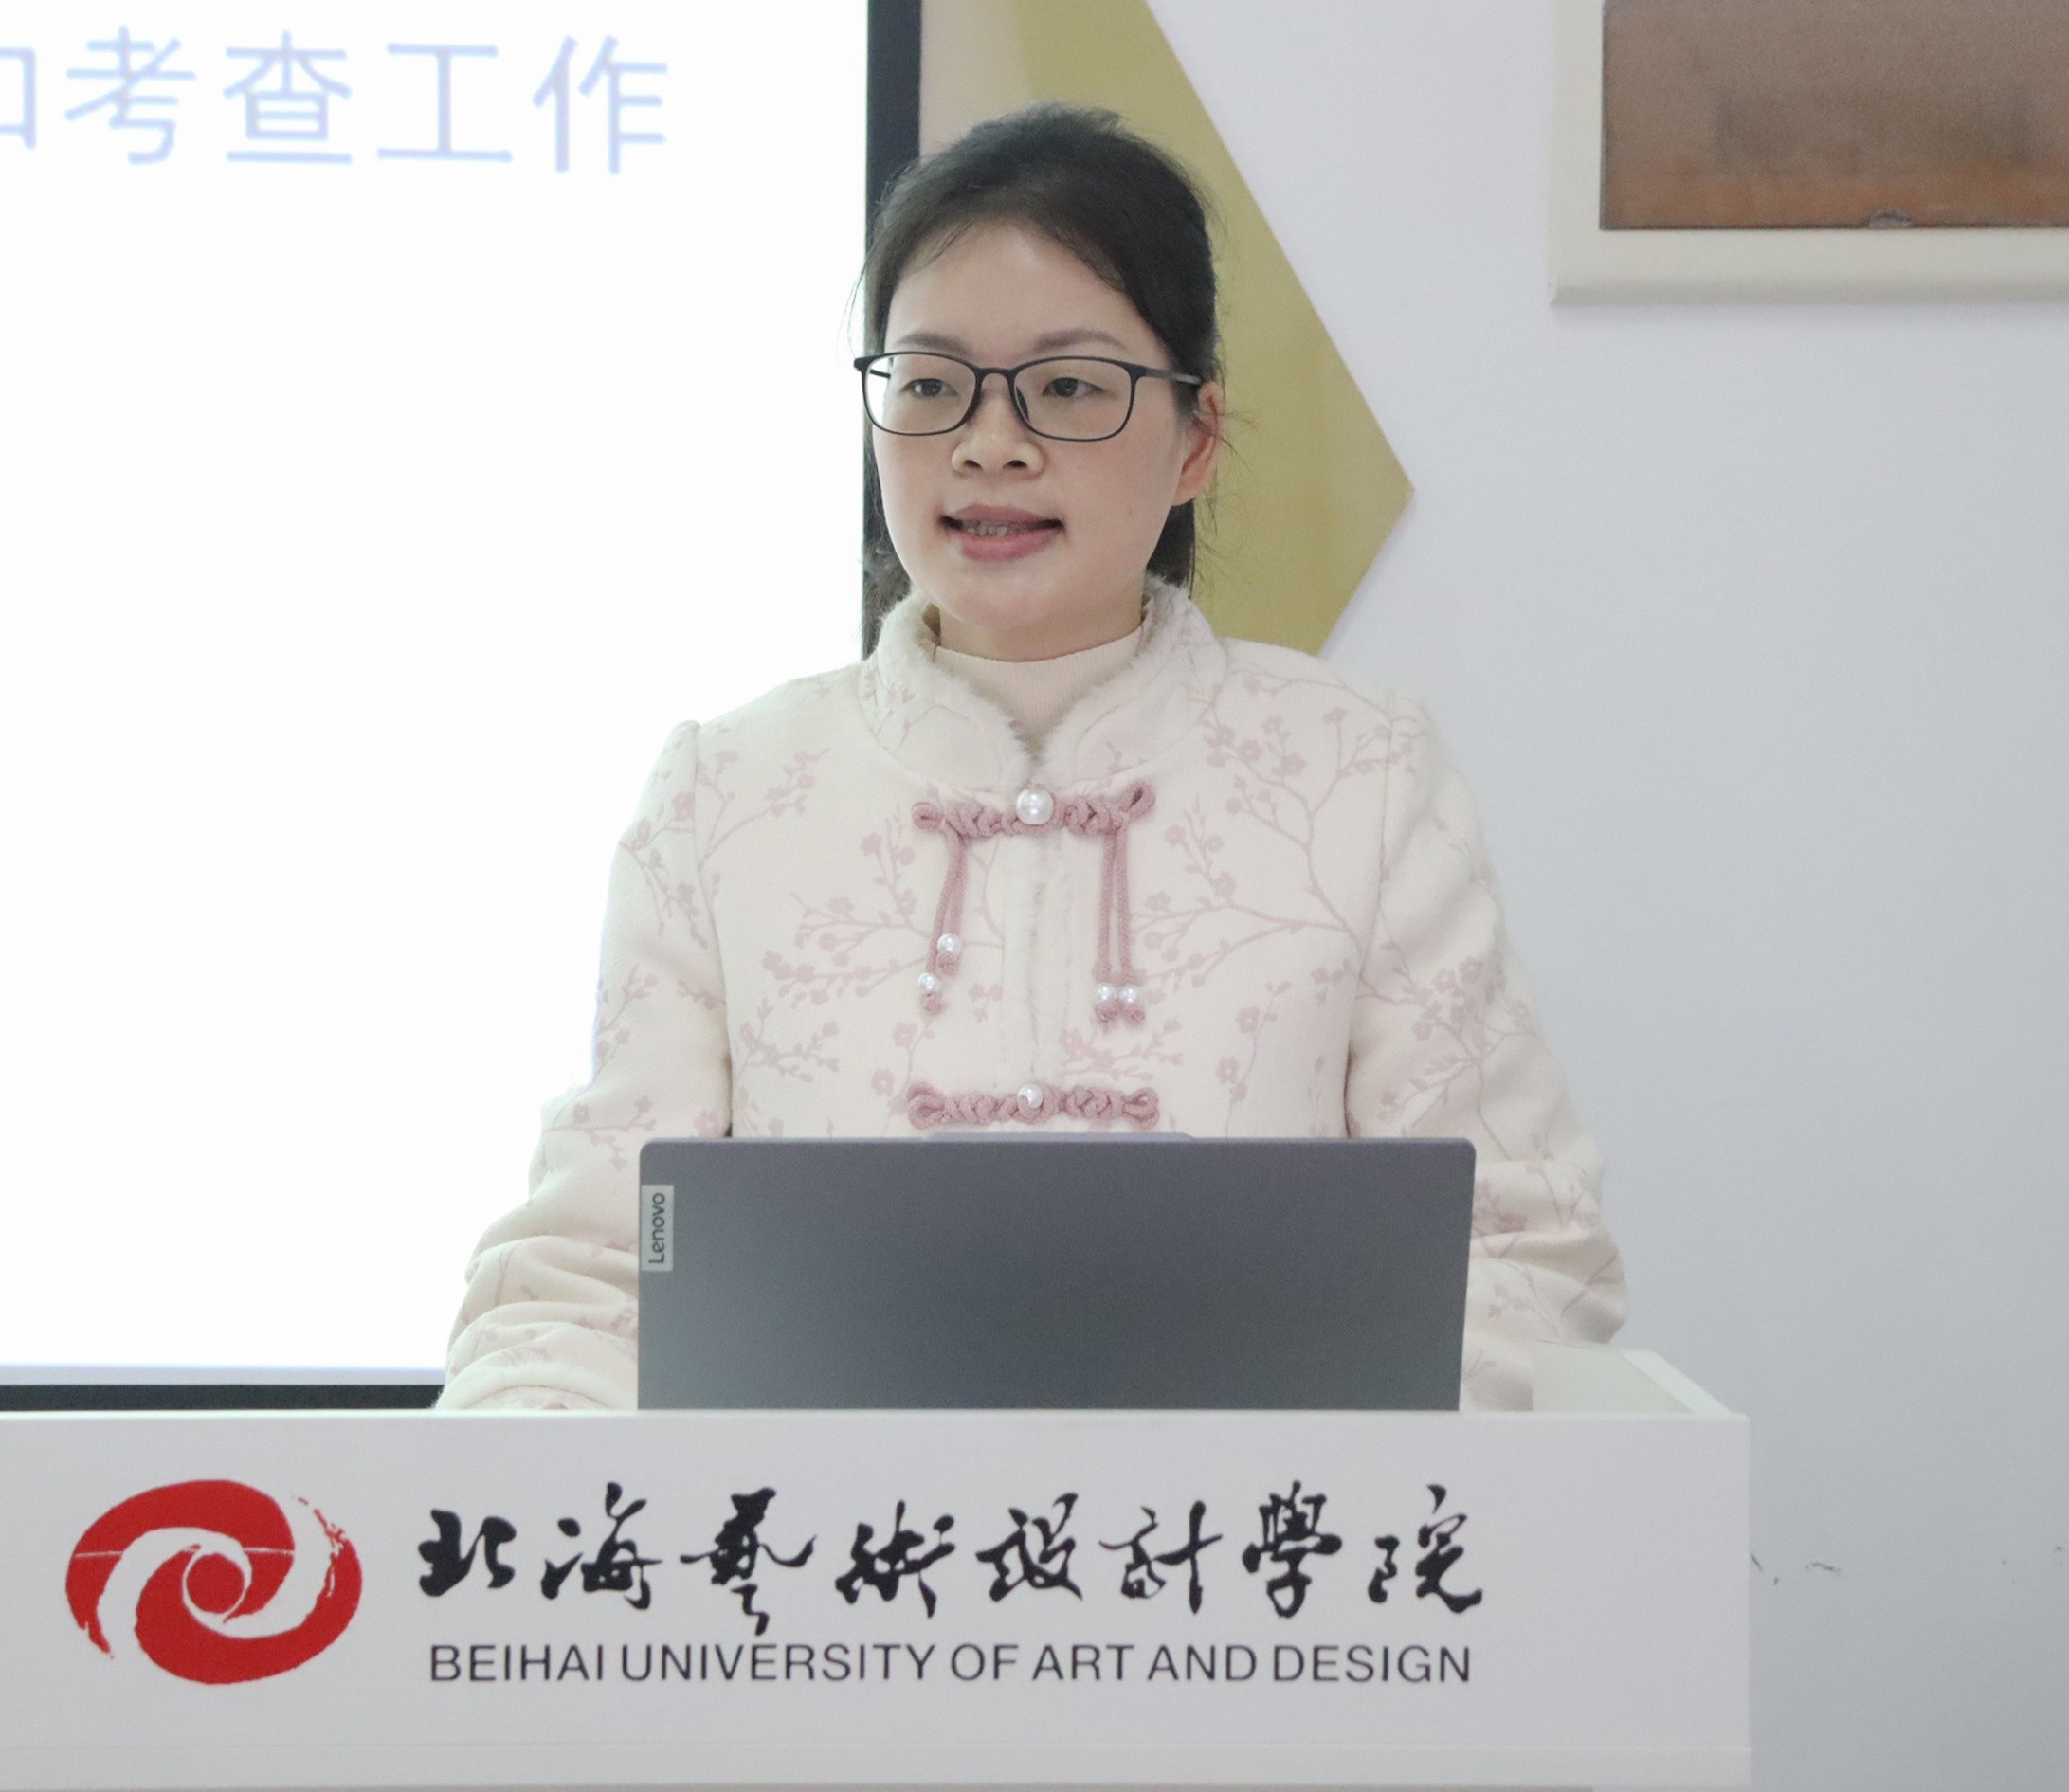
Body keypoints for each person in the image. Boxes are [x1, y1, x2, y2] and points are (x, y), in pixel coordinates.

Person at [439, 103, 1624, 1414]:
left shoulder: (1361, 775)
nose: (988, 442)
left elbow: (1512, 1253)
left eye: (1067, 387)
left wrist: (1285, 1487)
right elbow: (590, 1279)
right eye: (929, 383)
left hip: (1243, 1533)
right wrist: (519, 1472)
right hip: (820, 1537)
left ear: (1197, 438)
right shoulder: (726, 792)